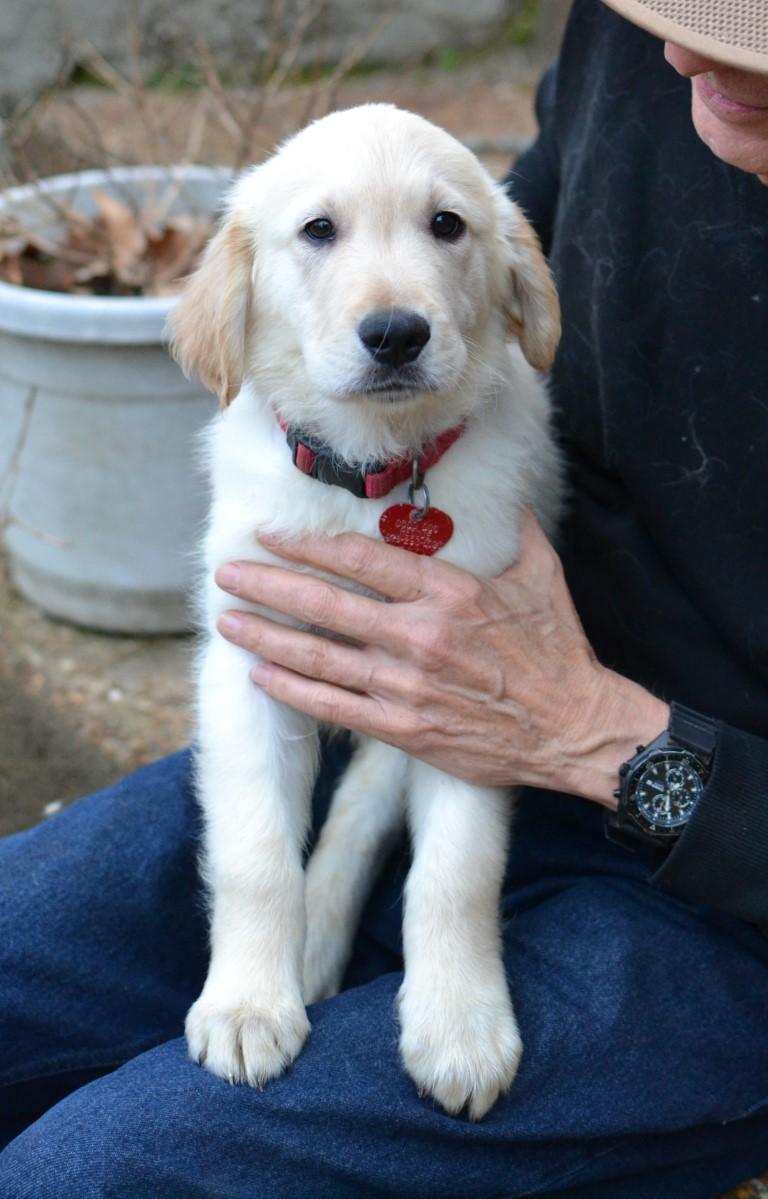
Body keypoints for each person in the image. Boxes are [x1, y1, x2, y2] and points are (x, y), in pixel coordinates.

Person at [1, 0, 767, 1194]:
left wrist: (598, 739)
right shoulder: (644, 43)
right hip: (435, 716)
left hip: (718, 902)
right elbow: (468, 245)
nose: (687, 52)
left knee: (93, 1174)